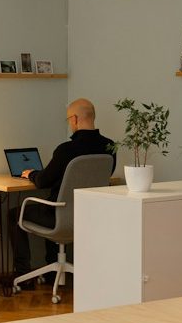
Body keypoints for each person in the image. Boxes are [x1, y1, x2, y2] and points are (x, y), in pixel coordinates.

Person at [11, 98, 118, 281]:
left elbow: (43, 181)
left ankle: (24, 275)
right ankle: (53, 272)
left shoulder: (66, 149)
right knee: (56, 203)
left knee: (16, 213)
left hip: (60, 216)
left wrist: (31, 173)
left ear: (75, 119)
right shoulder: (109, 146)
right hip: (91, 216)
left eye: (68, 119)